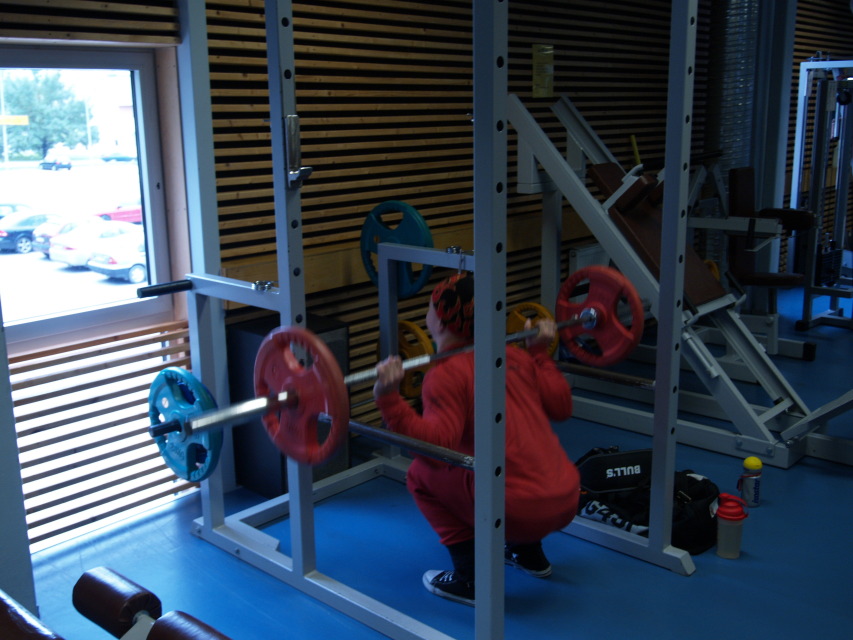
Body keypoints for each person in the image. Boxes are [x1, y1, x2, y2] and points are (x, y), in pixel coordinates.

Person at [373, 272, 581, 606]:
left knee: (420, 476)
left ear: (438, 319)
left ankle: (471, 579)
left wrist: (388, 398)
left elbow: (435, 450)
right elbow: (563, 406)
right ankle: (529, 554)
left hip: (518, 511)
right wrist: (540, 353)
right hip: (567, 498)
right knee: (511, 460)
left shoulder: (445, 375)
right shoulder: (516, 356)